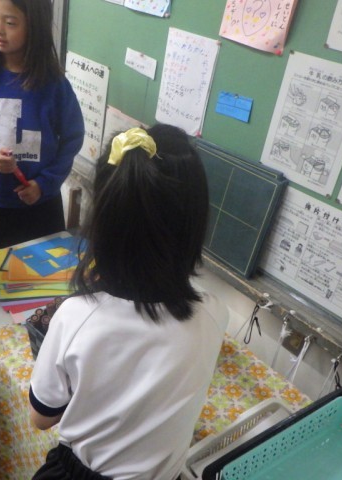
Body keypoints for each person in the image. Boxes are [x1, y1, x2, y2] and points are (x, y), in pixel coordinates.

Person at [28, 125, 230, 480]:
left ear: (103, 220)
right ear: (194, 224)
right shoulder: (215, 313)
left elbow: (41, 418)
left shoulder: (77, 317)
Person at [0, 0, 84, 258]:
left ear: (34, 25)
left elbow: (72, 137)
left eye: (10, 22)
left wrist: (44, 183)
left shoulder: (54, 83)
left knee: (46, 274)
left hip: (42, 205)